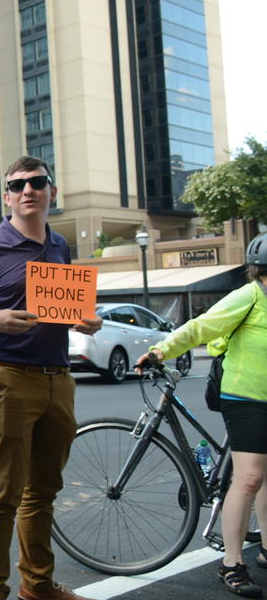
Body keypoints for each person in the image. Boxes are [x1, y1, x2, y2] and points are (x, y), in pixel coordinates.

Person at [0, 156, 102, 600]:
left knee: (44, 490)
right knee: (2, 494)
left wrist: (84, 322)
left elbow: (63, 309)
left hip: (59, 377)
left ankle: (38, 585)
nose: (28, 190)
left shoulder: (60, 246)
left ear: (52, 191)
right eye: (19, 184)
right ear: (8, 196)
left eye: (38, 182)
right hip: (6, 378)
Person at [135, 232, 267, 598]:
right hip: (246, 398)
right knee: (250, 477)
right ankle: (232, 564)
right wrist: (160, 351)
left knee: (266, 477)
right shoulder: (250, 296)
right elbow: (200, 327)